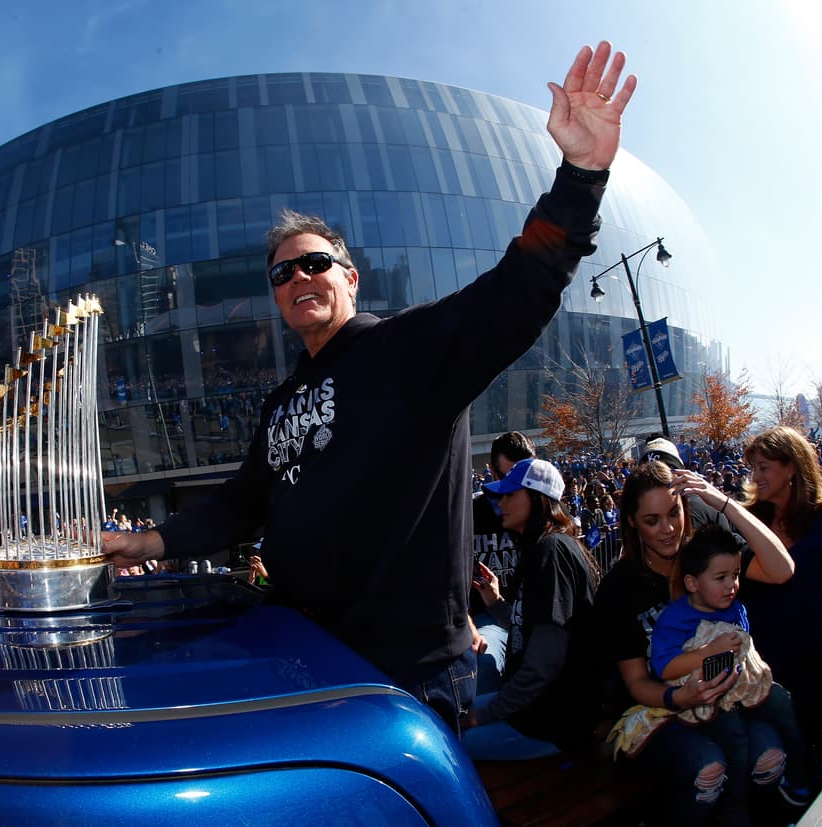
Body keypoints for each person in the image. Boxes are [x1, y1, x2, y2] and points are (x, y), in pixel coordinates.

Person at [103, 41, 637, 732]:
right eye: (282, 274)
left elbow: (517, 293)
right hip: (307, 658)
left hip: (406, 673)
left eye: (315, 263)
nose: (299, 278)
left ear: (350, 278)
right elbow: (241, 502)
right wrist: (149, 542)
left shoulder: (406, 349)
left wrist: (581, 176)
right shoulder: (281, 402)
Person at [594, 461, 795, 825]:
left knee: (769, 757)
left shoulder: (706, 555)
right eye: (652, 520)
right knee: (708, 769)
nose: (668, 528)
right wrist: (680, 698)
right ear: (632, 522)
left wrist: (723, 503)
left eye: (674, 513)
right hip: (663, 711)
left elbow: (782, 569)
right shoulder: (619, 588)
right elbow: (637, 682)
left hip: (729, 699)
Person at [650, 526, 811, 818]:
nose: (731, 585)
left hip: (743, 687)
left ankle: (801, 775)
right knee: (735, 739)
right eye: (720, 577)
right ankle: (737, 805)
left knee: (783, 703)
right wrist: (708, 651)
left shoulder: (736, 609)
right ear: (692, 583)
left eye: (735, 575)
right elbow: (664, 667)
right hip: (709, 699)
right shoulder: (674, 620)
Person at [462, 459, 601, 760]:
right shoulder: (544, 547)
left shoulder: (551, 551)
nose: (501, 502)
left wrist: (484, 715)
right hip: (537, 710)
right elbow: (528, 627)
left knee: (448, 744)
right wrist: (495, 602)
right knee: (446, 718)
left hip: (550, 722)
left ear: (538, 499)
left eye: (511, 494)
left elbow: (544, 662)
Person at [740, 426, 822, 757]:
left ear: (791, 467)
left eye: (763, 467)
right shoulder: (748, 521)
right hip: (759, 662)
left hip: (810, 657)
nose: (755, 477)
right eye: (753, 468)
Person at [470, 431, 536, 689]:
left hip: (532, 621)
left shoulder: (547, 523)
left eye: (525, 480)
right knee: (483, 663)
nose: (515, 491)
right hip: (487, 620)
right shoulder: (469, 513)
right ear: (492, 472)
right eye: (508, 479)